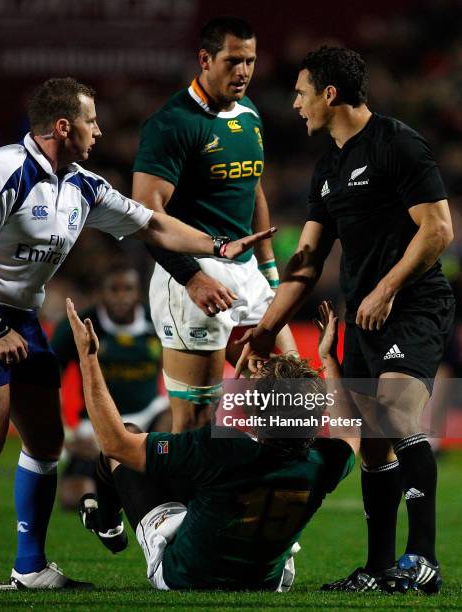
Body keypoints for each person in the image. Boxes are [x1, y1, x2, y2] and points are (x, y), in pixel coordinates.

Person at [0, 77, 273, 590]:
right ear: (63, 125)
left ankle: (30, 567)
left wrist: (217, 244)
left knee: (47, 441)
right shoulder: (1, 170)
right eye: (91, 120)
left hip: (22, 312)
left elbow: (152, 225)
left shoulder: (83, 185)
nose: (99, 129)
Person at [235, 47, 455, 593]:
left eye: (301, 92)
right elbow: (306, 263)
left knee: (399, 415)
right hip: (362, 314)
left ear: (329, 94)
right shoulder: (329, 167)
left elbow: (438, 229)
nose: (295, 103)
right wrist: (263, 332)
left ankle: (421, 559)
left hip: (412, 304)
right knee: (373, 443)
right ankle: (379, 567)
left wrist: (386, 288)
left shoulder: (397, 143)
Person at [68, 297, 360, 591]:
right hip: (265, 581)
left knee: (129, 438)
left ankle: (107, 524)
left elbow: (116, 444)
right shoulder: (326, 462)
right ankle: (106, 522)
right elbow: (351, 429)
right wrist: (328, 358)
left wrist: (88, 359)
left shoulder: (220, 449)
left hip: (184, 576)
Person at [132, 16, 296, 433]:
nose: (243, 71)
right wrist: (192, 279)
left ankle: (254, 497)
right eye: (233, 60)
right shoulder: (171, 124)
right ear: (205, 59)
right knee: (196, 422)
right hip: (192, 276)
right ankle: (151, 492)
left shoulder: (250, 113)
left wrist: (270, 272)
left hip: (248, 275)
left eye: (251, 61)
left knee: (289, 397)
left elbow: (252, 188)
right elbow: (147, 218)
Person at [51, 264, 168, 513]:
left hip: (150, 415)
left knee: (174, 419)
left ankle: (168, 476)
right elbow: (47, 381)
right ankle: (123, 483)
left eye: (128, 289)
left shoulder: (157, 320)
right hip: (97, 427)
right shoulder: (79, 326)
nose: (121, 296)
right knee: (74, 498)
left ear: (139, 292)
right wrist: (65, 438)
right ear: (100, 293)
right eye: (113, 290)